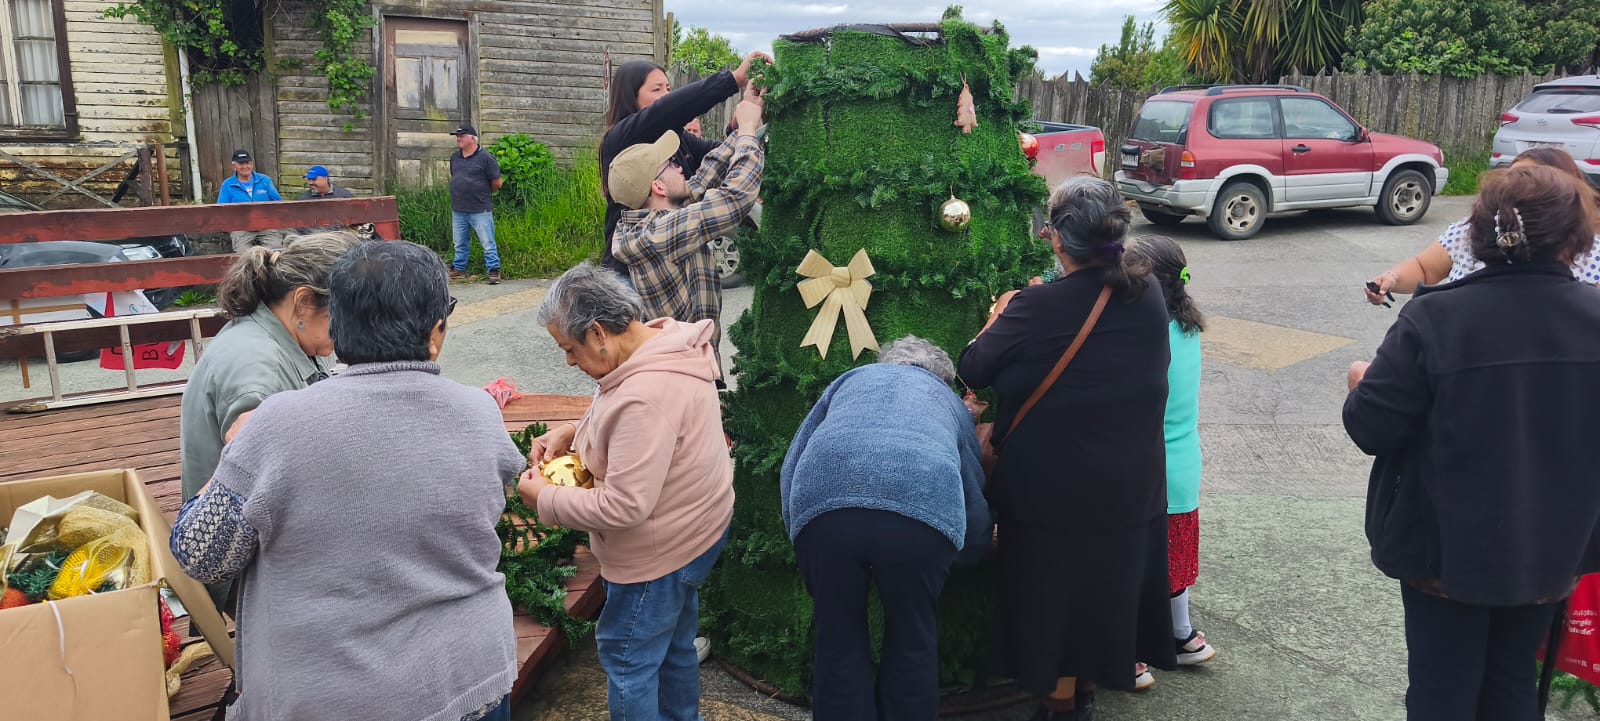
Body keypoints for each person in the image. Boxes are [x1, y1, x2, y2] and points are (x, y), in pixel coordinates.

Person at [172, 240, 523, 721]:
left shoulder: (277, 424)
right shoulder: (481, 413)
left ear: (337, 324)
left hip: (331, 696)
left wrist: (234, 462)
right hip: (470, 680)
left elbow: (201, 554)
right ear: (435, 331)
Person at [1344, 164, 1600, 721]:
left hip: (1444, 552)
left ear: (1479, 233)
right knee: (1511, 681)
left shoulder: (1436, 317)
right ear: (1576, 235)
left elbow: (1372, 427)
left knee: (1442, 689)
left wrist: (1360, 383)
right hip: (1554, 550)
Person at [958, 176, 1176, 720]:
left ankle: (1061, 708)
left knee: (1054, 617)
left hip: (1054, 502)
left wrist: (1000, 315)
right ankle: (1079, 700)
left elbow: (973, 367)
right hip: (1131, 491)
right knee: (1097, 610)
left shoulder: (1035, 306)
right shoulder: (1147, 293)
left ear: (1055, 239)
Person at [519, 262, 734, 721]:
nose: (569, 362)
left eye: (570, 349)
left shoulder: (646, 394)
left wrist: (544, 499)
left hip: (659, 552)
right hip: (699, 528)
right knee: (675, 643)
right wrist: (574, 432)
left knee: (627, 658)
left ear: (598, 332)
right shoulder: (660, 342)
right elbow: (636, 423)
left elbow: (624, 505)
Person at [781, 336, 991, 721]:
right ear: (943, 379)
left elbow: (794, 460)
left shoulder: (851, 379)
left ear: (886, 364)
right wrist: (970, 553)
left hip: (824, 510)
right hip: (919, 515)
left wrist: (800, 531)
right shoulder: (946, 400)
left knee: (838, 638)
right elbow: (970, 487)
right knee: (912, 638)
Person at [177, 230, 362, 612]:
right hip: (246, 573)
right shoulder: (256, 371)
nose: (353, 331)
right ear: (304, 301)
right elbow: (253, 502)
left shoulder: (282, 332)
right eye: (347, 316)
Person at [609, 89, 765, 367]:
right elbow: (735, 197)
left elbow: (704, 177)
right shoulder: (662, 234)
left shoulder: (655, 217)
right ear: (657, 186)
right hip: (686, 367)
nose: (681, 168)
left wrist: (748, 109)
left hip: (688, 359)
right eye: (671, 165)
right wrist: (748, 132)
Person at [1123, 235, 1218, 672]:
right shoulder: (1186, 325)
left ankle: (1129, 654)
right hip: (1183, 468)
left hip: (1148, 469)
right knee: (1174, 565)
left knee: (1135, 564)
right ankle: (1183, 637)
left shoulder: (1145, 333)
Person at [599, 54, 768, 277]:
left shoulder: (675, 139)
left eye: (668, 88)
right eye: (656, 89)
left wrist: (744, 121)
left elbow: (713, 164)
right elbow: (667, 110)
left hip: (669, 266)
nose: (666, 96)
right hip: (630, 275)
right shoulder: (621, 137)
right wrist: (733, 79)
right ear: (630, 96)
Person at [1365, 148, 1600, 304]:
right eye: (1510, 176)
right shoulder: (1468, 231)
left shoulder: (1593, 251)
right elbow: (1426, 268)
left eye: (1527, 180)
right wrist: (1392, 279)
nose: (1510, 186)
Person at [449, 124, 504, 285]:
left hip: (480, 208)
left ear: (472, 139)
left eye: (462, 136)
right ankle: (458, 268)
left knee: (487, 242)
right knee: (459, 242)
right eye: (457, 137)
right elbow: (455, 175)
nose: (458, 139)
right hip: (458, 208)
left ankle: (493, 270)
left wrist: (483, 193)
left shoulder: (486, 158)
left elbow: (497, 183)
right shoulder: (455, 157)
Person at [217, 149, 287, 251]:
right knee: (243, 256)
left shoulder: (265, 180)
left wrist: (273, 221)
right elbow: (221, 209)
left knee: (276, 252)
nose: (245, 166)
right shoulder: (227, 184)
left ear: (252, 164)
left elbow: (278, 203)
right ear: (234, 167)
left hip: (267, 226)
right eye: (241, 163)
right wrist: (232, 227)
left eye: (247, 163)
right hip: (241, 228)